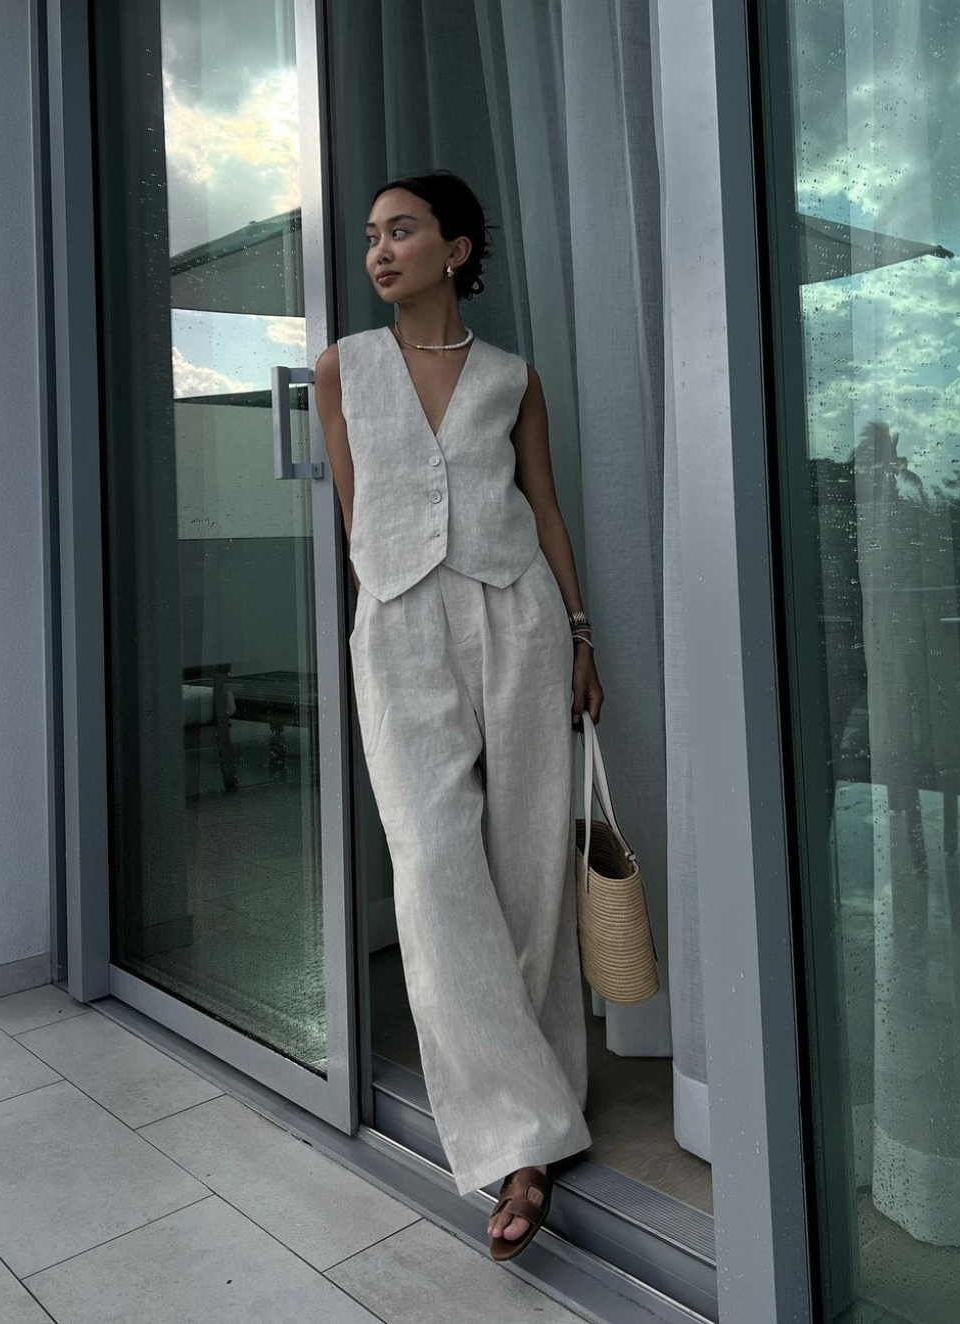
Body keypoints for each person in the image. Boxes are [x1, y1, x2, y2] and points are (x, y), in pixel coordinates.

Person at [313, 169, 604, 1261]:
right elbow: (360, 511)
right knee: (434, 867)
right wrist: (393, 596)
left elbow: (545, 508)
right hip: (398, 623)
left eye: (403, 231)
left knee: (526, 862)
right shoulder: (344, 367)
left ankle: (529, 1138)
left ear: (459, 247)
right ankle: (518, 1121)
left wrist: (579, 632)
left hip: (517, 616)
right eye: (373, 237)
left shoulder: (513, 378)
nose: (381, 250)